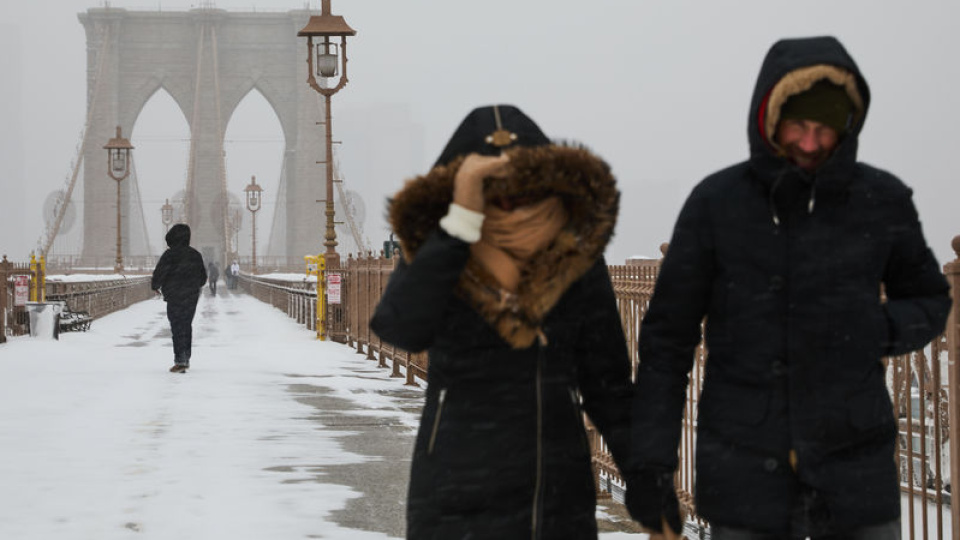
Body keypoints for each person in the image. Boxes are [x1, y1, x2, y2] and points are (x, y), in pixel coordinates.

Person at [626, 36, 952, 540]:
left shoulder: (880, 201)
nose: (808, 142)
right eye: (797, 125)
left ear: (846, 128)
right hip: (744, 475)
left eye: (824, 128)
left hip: (855, 476)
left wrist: (877, 329)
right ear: (769, 120)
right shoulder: (717, 204)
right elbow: (667, 342)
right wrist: (651, 465)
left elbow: (930, 299)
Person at [370, 105, 635, 539]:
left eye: (523, 188)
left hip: (555, 494)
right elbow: (402, 327)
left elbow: (607, 384)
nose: (508, 203)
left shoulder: (573, 256)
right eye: (490, 189)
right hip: (455, 490)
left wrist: (646, 478)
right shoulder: (440, 250)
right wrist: (459, 226)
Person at [151, 224, 207, 373]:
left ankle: (180, 360)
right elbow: (203, 278)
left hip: (174, 295)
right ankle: (186, 358)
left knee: (177, 326)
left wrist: (156, 285)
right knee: (186, 325)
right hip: (191, 296)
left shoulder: (170, 254)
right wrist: (193, 286)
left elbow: (160, 272)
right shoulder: (195, 255)